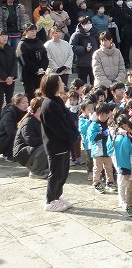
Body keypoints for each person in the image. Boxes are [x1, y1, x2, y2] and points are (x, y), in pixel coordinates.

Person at [40, 73, 79, 211]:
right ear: (53, 85)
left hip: (64, 144)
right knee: (55, 173)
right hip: (56, 145)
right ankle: (49, 200)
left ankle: (57, 196)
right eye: (60, 82)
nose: (63, 84)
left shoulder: (57, 100)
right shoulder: (48, 105)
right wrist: (72, 136)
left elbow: (68, 120)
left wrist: (75, 133)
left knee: (64, 172)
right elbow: (58, 128)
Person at [13, 96, 49, 178]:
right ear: (40, 108)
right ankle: (36, 172)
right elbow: (31, 141)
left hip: (33, 150)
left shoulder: (41, 118)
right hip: (24, 153)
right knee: (46, 146)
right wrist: (47, 139)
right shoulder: (28, 122)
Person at [16, 24, 49, 100]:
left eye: (35, 31)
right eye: (31, 31)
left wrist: (43, 68)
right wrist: (36, 69)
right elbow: (24, 61)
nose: (34, 33)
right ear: (26, 32)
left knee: (40, 95)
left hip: (40, 74)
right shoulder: (22, 44)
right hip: (28, 76)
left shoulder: (39, 42)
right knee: (30, 96)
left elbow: (45, 56)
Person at [0, 92, 28, 159]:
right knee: (14, 135)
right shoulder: (9, 114)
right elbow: (11, 132)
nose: (26, 105)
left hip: (12, 137)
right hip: (3, 139)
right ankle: (8, 154)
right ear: (16, 104)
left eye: (27, 102)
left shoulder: (25, 112)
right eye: (23, 103)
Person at [0, 29, 18, 106]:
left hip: (11, 79)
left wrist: (11, 76)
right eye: (2, 36)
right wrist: (5, 77)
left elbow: (15, 62)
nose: (5, 38)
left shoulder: (10, 49)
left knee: (10, 101)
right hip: (1, 80)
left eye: (6, 36)